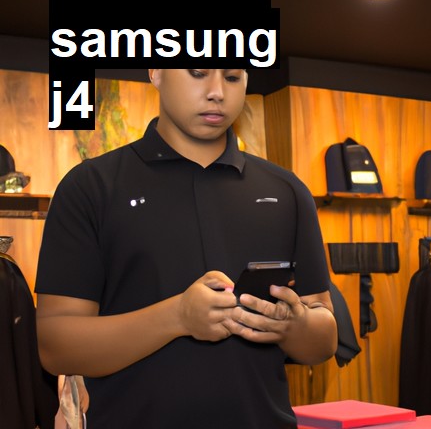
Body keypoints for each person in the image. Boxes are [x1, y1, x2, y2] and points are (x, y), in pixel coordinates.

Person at [35, 69, 337, 428]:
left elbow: (325, 338)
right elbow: (55, 346)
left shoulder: (287, 191)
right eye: (198, 73)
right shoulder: (90, 187)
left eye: (232, 77)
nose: (217, 92)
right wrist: (177, 317)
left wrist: (293, 325)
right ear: (156, 72)